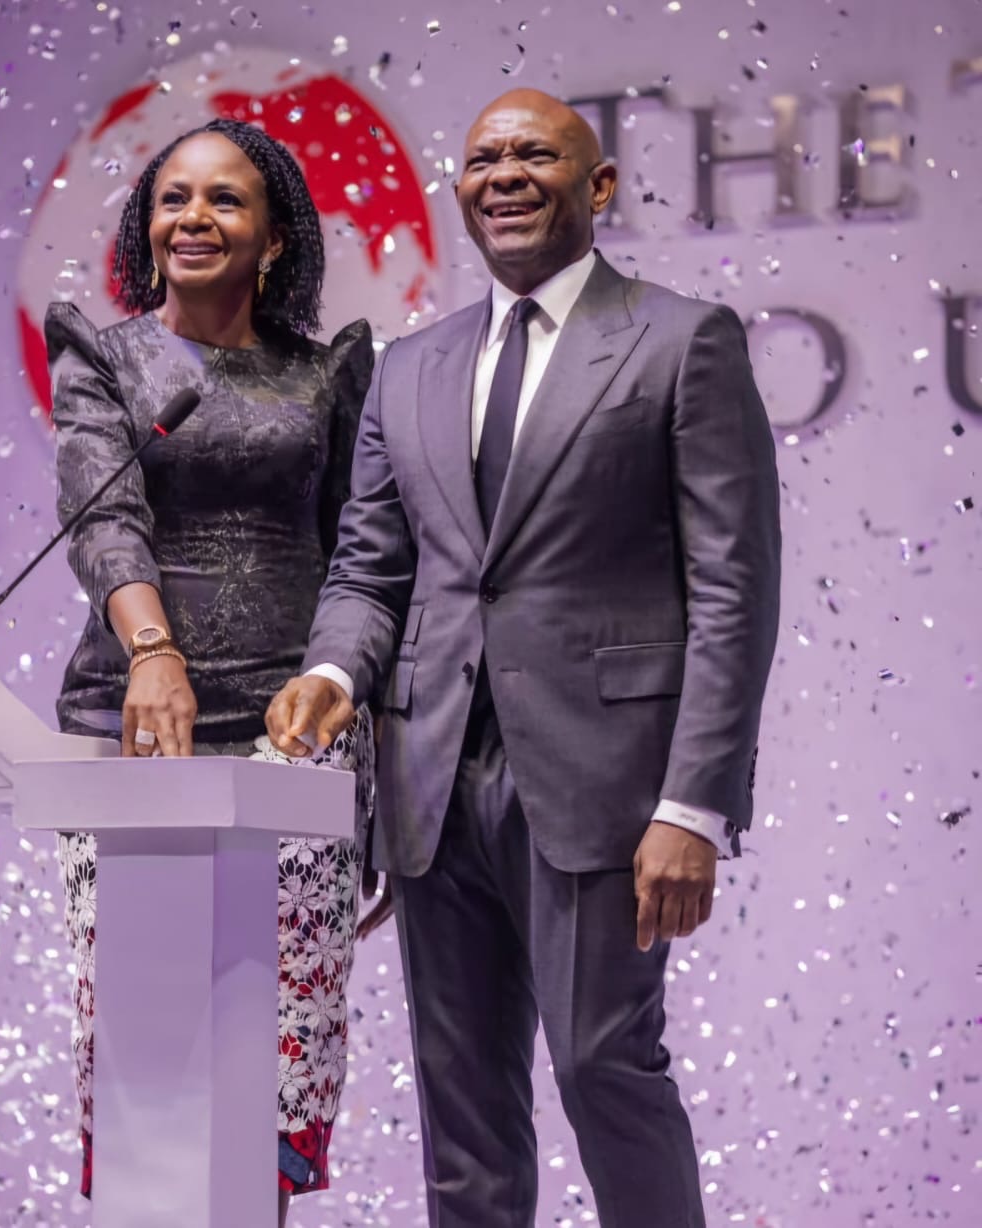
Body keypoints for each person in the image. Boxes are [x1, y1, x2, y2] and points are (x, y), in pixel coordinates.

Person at [266, 88, 781, 1228]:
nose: (502, 173)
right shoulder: (408, 366)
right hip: (431, 784)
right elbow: (369, 568)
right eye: (481, 157)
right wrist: (334, 673)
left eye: (534, 154)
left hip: (606, 790)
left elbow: (733, 590)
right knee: (463, 1118)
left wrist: (693, 806)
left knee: (604, 1070)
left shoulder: (681, 339)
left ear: (598, 185)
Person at [46, 117, 387, 1226]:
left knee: (265, 1071)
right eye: (172, 198)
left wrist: (373, 768)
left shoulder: (328, 374)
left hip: (297, 745)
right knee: (147, 1068)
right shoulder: (105, 357)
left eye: (225, 199)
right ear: (146, 228)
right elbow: (102, 522)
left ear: (275, 238)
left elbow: (364, 558)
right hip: (136, 738)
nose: (193, 218)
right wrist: (154, 652)